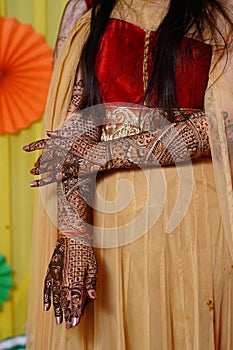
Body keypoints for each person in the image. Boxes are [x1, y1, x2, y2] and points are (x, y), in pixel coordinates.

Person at [24, 0, 233, 348]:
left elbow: (221, 126)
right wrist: (74, 235)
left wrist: (106, 153)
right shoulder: (87, 8)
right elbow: (75, 121)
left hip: (197, 230)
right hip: (108, 237)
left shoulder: (222, 9)